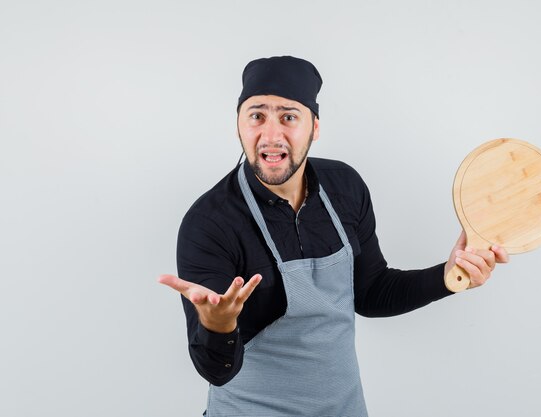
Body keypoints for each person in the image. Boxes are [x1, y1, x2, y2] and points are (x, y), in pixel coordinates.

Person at [158, 55, 509, 416]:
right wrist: (218, 325)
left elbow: (371, 293)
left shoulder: (345, 187)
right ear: (239, 125)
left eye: (289, 117)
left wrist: (449, 276)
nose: (271, 134)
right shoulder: (211, 222)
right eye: (256, 116)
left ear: (315, 127)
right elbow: (216, 370)